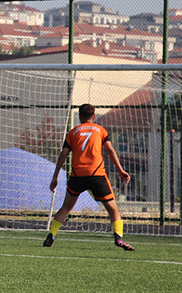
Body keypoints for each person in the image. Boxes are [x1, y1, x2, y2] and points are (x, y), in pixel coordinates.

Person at [44, 104, 134, 251]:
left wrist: (55, 177)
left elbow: (63, 155)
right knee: (112, 209)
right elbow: (110, 150)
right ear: (93, 116)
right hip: (97, 174)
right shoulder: (101, 130)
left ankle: (51, 236)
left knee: (66, 207)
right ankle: (119, 237)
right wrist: (120, 170)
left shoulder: (73, 132)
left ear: (80, 116)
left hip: (77, 175)